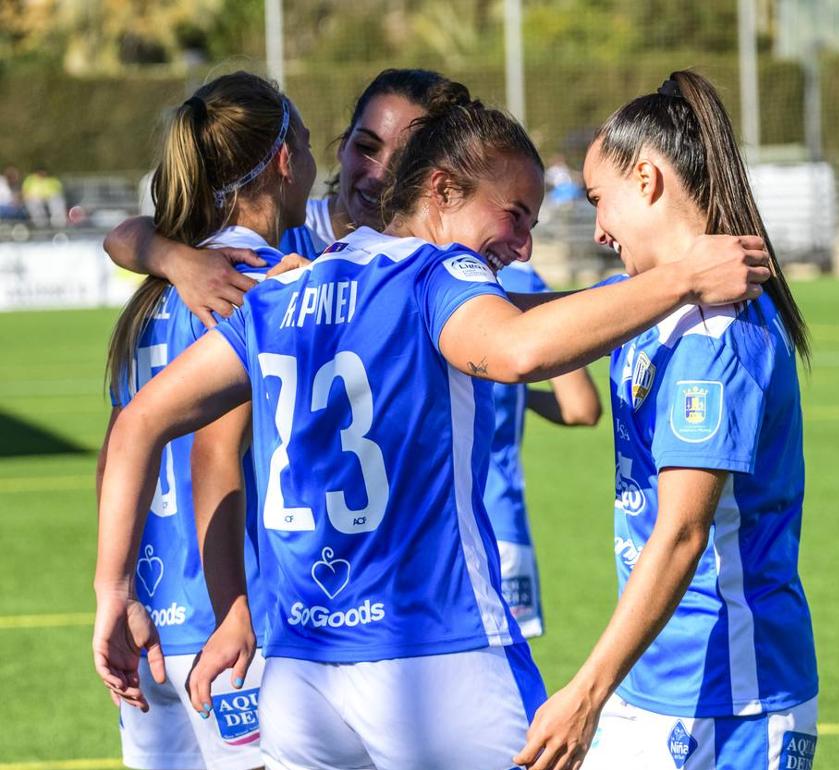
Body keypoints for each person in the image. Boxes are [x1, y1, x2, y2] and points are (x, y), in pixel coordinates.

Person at [93, 79, 770, 769]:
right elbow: (518, 349)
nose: (524, 246)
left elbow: (138, 423)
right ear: (442, 193)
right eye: (514, 215)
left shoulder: (286, 290)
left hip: (302, 679)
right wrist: (681, 281)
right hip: (435, 661)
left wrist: (111, 593)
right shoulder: (436, 275)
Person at [512, 70, 818, 770]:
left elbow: (683, 533)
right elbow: (527, 327)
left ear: (647, 180)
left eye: (599, 201)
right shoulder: (650, 301)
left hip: (727, 699)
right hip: (661, 683)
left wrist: (585, 693)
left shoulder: (715, 336)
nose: (596, 228)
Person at [94, 71, 317, 770]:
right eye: (308, 144)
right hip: (229, 621)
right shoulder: (255, 282)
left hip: (148, 613)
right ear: (285, 161)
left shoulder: (160, 289)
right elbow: (211, 457)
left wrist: (117, 588)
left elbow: (117, 449)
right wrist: (233, 609)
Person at [105, 68, 448, 327]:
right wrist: (177, 260)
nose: (379, 173)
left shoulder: (432, 256)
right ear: (343, 145)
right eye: (366, 147)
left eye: (405, 157)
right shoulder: (278, 238)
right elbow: (121, 238)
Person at [489, 261, 601, 639]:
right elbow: (579, 407)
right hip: (501, 519)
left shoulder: (417, 270)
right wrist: (516, 394)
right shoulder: (522, 279)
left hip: (427, 525)